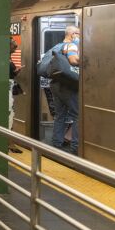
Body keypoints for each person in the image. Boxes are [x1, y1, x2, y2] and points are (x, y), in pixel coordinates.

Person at [50, 26, 80, 154]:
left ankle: (57, 143)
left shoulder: (57, 46)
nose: (80, 36)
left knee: (60, 115)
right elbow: (73, 61)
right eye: (79, 33)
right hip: (68, 85)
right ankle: (76, 146)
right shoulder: (72, 46)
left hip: (56, 84)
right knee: (78, 115)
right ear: (73, 34)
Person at [9, 39, 23, 154]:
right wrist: (16, 71)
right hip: (7, 91)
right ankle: (9, 142)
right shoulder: (5, 59)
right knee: (9, 115)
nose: (15, 46)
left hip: (9, 90)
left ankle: (9, 141)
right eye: (13, 44)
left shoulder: (9, 58)